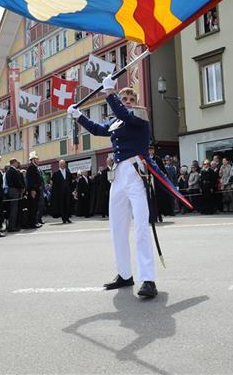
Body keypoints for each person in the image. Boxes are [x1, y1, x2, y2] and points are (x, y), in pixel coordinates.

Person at [68, 74, 158, 298]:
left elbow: (123, 114)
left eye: (129, 98)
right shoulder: (117, 120)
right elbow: (99, 129)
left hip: (136, 170)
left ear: (134, 101)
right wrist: (79, 116)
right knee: (117, 227)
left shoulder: (139, 115)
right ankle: (125, 274)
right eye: (123, 97)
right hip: (118, 173)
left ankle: (148, 279)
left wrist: (110, 94)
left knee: (141, 227)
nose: (126, 100)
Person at [5, 158, 26, 232]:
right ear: (14, 162)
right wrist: (22, 187)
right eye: (17, 162)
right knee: (14, 209)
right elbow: (16, 181)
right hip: (14, 190)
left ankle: (13, 225)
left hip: (12, 190)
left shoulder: (10, 170)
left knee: (14, 208)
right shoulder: (12, 170)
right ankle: (12, 226)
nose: (17, 164)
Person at [50, 160, 73, 224]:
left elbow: (70, 183)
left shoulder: (68, 173)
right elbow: (54, 185)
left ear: (65, 164)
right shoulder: (56, 173)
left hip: (67, 192)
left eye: (63, 164)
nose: (62, 165)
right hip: (60, 193)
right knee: (62, 205)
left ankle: (67, 217)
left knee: (67, 205)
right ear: (59, 165)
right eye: (61, 164)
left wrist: (71, 191)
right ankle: (64, 218)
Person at [26, 152, 45, 228]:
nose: (38, 160)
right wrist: (33, 190)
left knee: (35, 207)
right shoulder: (31, 167)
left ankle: (34, 222)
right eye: (37, 159)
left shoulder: (35, 167)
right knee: (33, 207)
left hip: (37, 189)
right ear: (33, 159)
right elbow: (31, 180)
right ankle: (32, 223)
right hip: (33, 190)